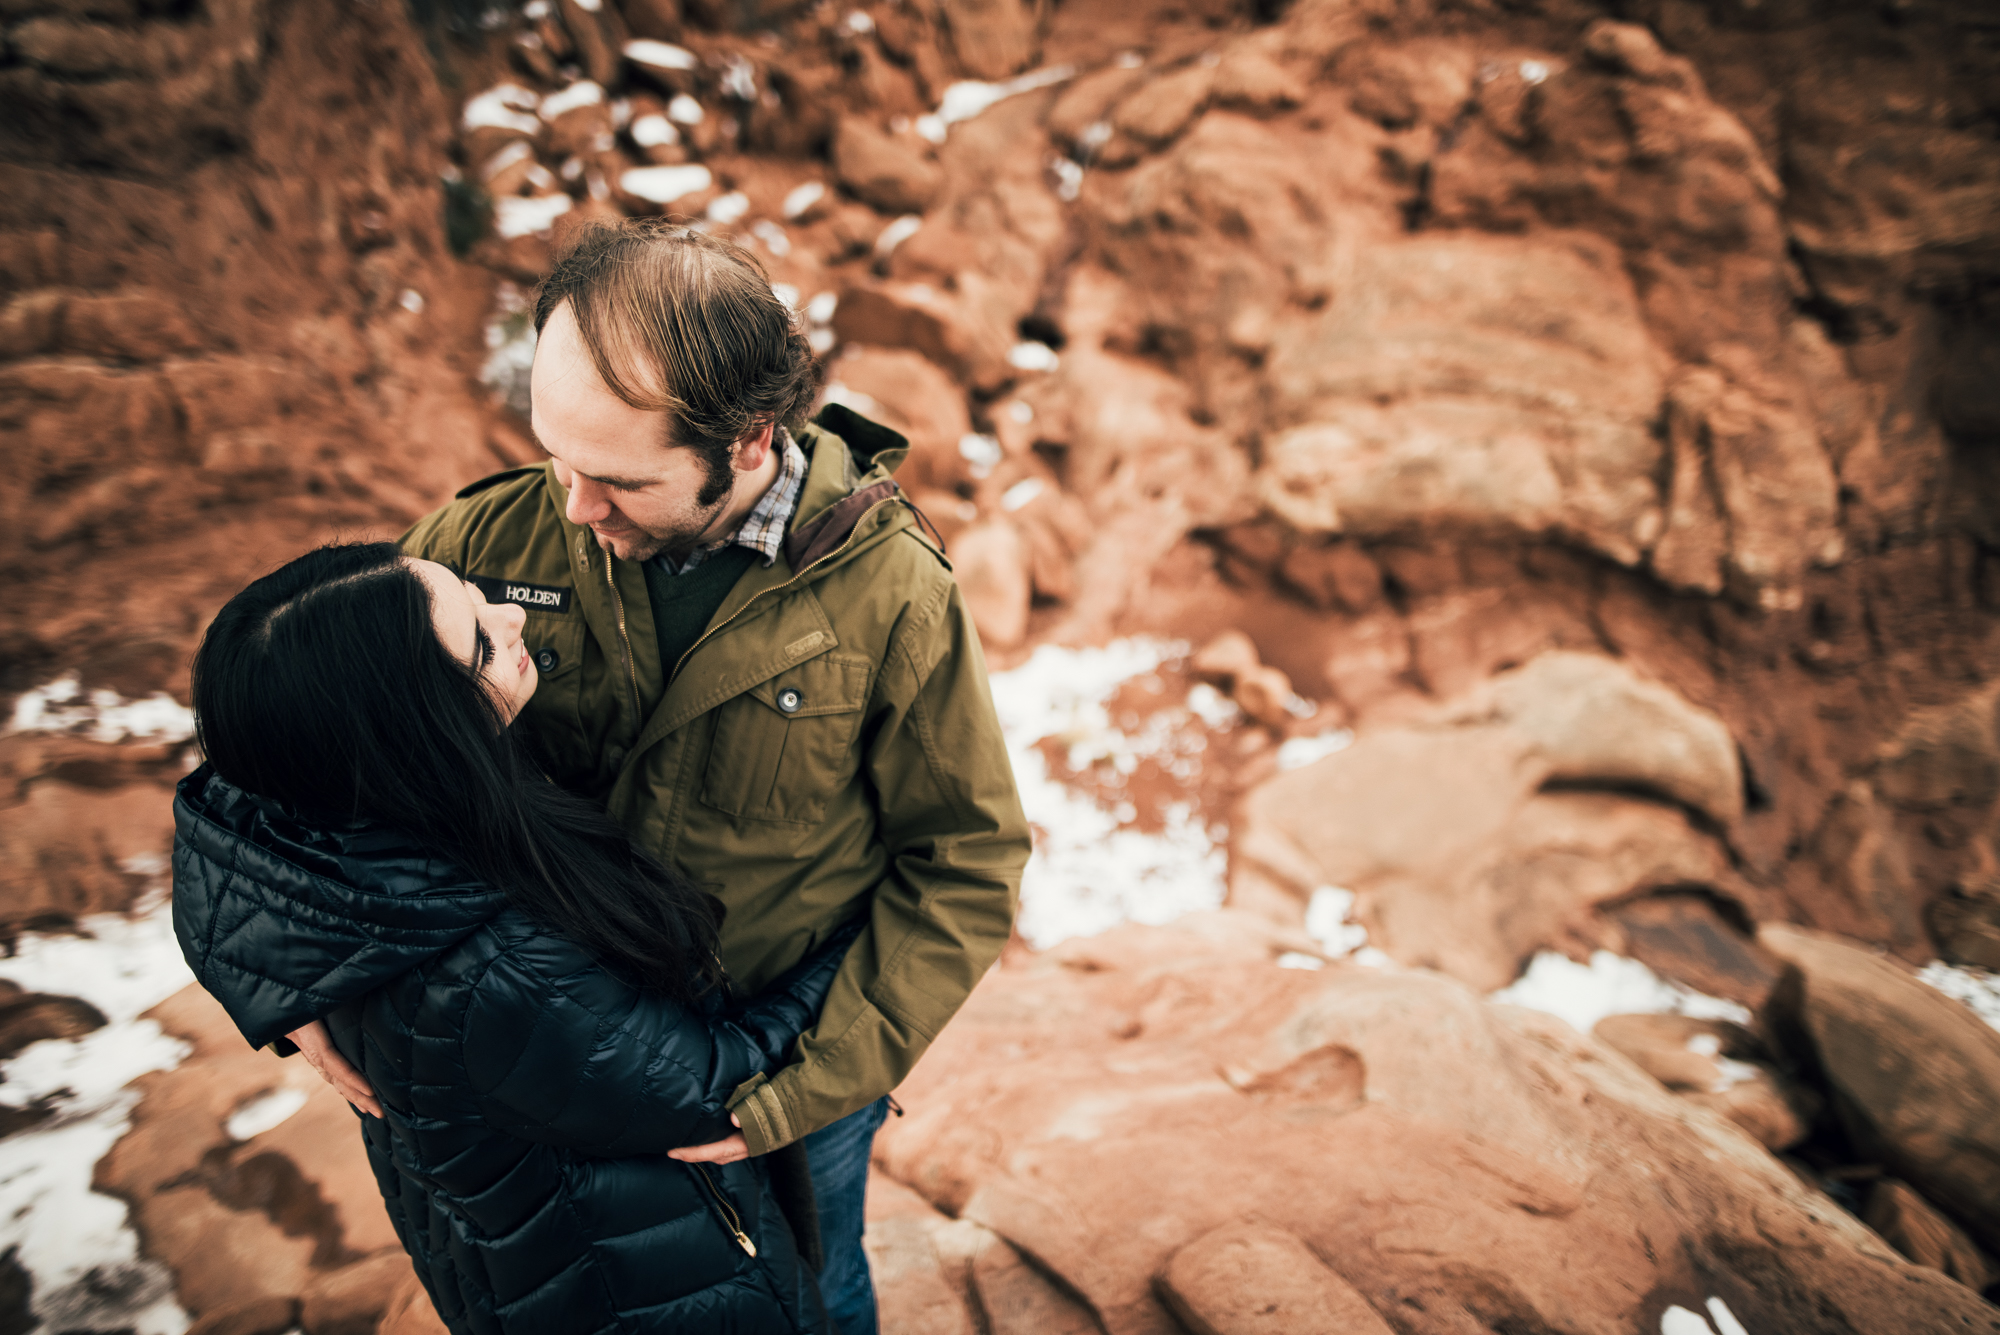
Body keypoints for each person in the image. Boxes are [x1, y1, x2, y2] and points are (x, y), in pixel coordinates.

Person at [291, 220, 1031, 1334]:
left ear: (746, 442)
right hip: (545, 1059)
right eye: (557, 457)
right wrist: (298, 966)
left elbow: (964, 864)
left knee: (815, 1292)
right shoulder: (479, 541)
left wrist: (807, 1082)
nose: (574, 507)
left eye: (619, 480)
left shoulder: (893, 596)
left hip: (777, 1070)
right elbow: (306, 750)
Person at [173, 542, 862, 1333]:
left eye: (475, 591)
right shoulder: (489, 975)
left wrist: (262, 971)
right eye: (479, 637)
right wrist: (863, 937)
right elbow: (712, 1088)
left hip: (529, 1253)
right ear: (418, 727)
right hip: (647, 1291)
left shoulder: (319, 805)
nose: (513, 614)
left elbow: (214, 812)